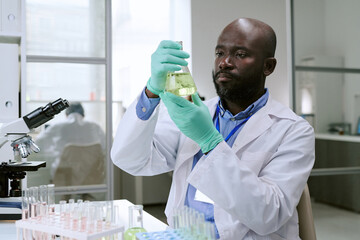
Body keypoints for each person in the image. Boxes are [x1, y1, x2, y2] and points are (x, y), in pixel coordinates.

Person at [111, 18, 315, 239]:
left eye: (240, 54)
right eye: (219, 53)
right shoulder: (193, 113)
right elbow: (130, 159)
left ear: (268, 66)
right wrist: (151, 92)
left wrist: (209, 141)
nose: (224, 62)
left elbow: (269, 215)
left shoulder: (294, 130)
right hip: (183, 234)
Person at [35, 102, 106, 179]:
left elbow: (38, 143)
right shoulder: (95, 126)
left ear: (66, 115)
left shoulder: (57, 126)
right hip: (91, 174)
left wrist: (52, 149)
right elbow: (105, 147)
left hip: (64, 176)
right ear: (83, 115)